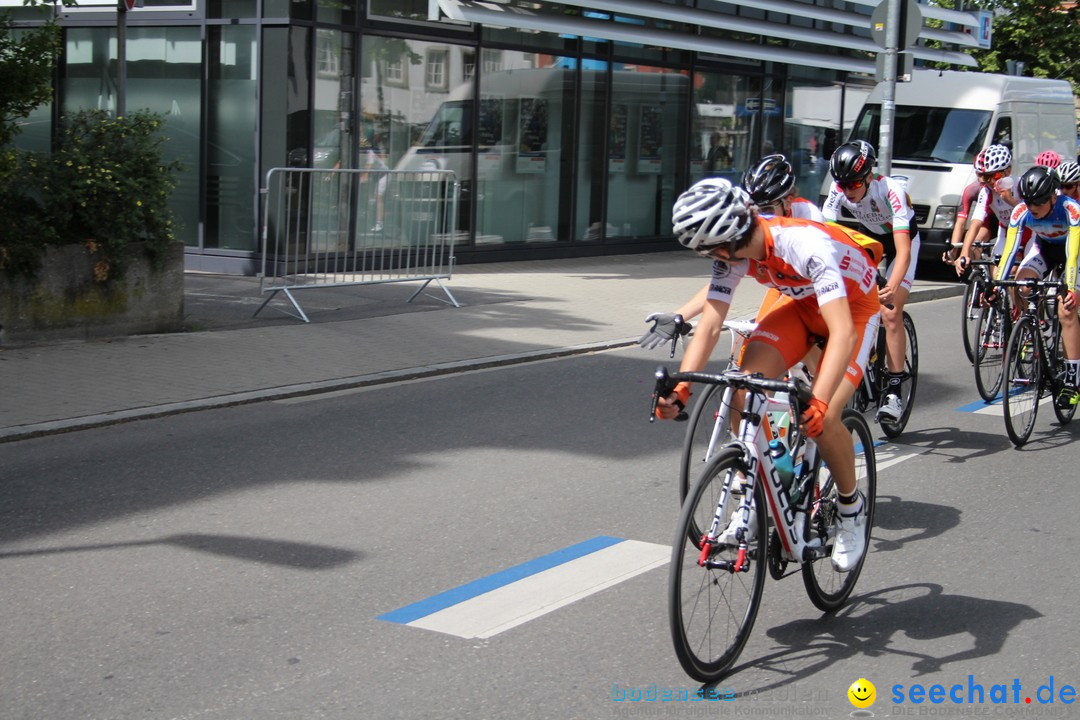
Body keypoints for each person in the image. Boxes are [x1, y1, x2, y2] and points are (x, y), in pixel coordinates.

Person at [654, 178, 882, 572]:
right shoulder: (733, 253)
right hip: (799, 307)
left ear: (724, 243)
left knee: (822, 420)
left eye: (704, 250)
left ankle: (850, 508)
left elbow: (843, 332)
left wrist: (821, 400)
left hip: (854, 313)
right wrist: (683, 386)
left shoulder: (806, 246)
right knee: (745, 388)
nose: (707, 257)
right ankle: (780, 481)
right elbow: (710, 325)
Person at [639, 154, 826, 350]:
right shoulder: (749, 229)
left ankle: (820, 379)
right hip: (780, 282)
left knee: (784, 337)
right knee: (757, 341)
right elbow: (722, 282)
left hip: (811, 285)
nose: (760, 216)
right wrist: (679, 316)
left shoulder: (809, 218)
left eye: (768, 209)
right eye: (754, 208)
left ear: (787, 202)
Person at [822, 140, 918, 424]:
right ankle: (865, 357)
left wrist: (890, 288)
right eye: (842, 185)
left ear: (868, 177)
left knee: (889, 312)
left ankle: (895, 390)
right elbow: (824, 232)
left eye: (853, 185)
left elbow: (903, 253)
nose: (847, 191)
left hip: (903, 239)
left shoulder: (891, 191)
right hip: (870, 238)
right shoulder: (839, 188)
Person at [991, 165, 1080, 409]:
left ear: (1053, 196)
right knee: (1021, 283)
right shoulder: (1021, 211)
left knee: (1066, 310)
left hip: (1074, 252)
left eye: (1039, 202)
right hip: (1045, 249)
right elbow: (1010, 251)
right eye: (1029, 202)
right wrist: (998, 285)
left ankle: (1072, 382)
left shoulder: (1071, 210)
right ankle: (1033, 325)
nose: (1033, 208)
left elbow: (1072, 256)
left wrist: (1070, 288)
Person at [953, 144, 1021, 276]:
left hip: (1028, 233)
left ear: (1008, 171)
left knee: (1014, 274)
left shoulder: (1020, 185)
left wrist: (1010, 200)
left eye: (994, 176)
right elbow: (975, 224)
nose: (989, 182)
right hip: (1006, 231)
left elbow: (1033, 215)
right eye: (984, 177)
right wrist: (964, 252)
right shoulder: (986, 191)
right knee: (997, 276)